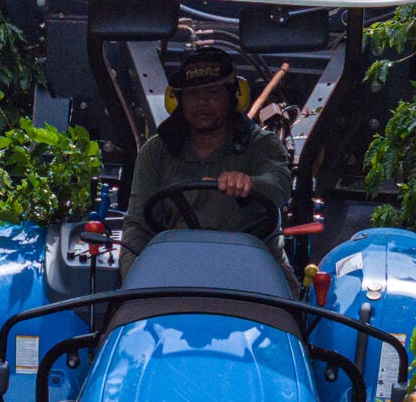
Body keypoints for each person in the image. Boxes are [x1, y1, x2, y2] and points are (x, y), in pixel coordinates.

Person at [120, 47, 292, 264]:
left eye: (213, 92)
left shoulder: (262, 144)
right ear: (177, 100)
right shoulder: (156, 152)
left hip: (252, 267)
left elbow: (280, 185)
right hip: (176, 268)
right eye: (192, 94)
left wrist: (250, 184)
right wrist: (134, 283)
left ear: (234, 96)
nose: (202, 102)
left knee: (292, 292)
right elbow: (137, 226)